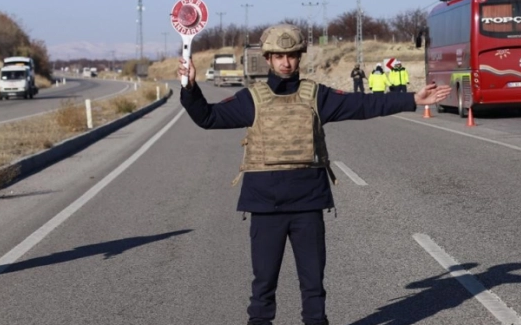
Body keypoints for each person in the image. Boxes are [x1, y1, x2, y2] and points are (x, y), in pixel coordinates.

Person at [178, 24, 449, 325]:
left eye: (292, 55)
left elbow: (362, 105)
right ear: (267, 58)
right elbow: (207, 117)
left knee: (313, 290)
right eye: (279, 56)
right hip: (266, 207)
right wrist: (190, 88)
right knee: (263, 290)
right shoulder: (250, 99)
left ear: (299, 58)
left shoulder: (316, 95)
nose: (286, 62)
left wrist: (411, 100)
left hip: (308, 205)